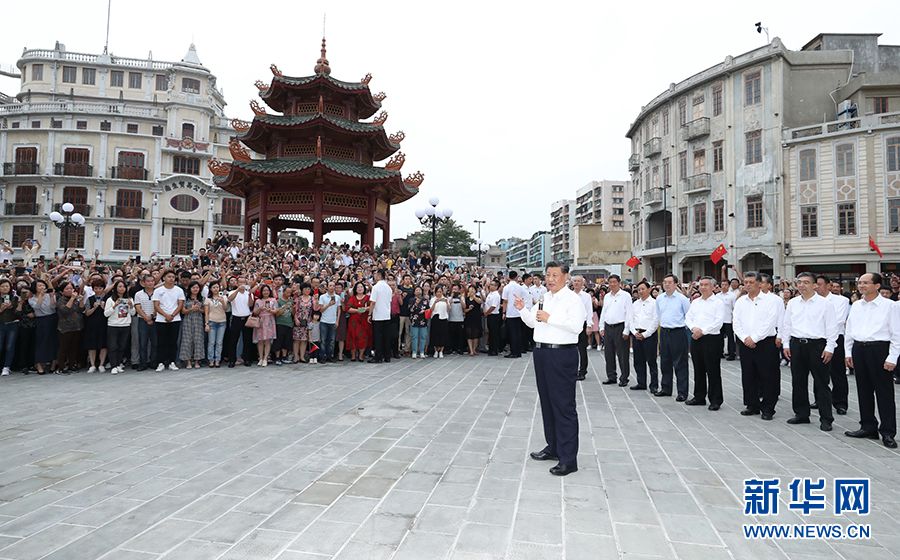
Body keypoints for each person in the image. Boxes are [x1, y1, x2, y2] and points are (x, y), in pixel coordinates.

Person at [515, 261, 585, 476]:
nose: (550, 279)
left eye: (555, 275)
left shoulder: (574, 300)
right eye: (548, 275)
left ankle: (568, 459)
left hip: (562, 354)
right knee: (547, 403)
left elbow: (576, 326)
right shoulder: (545, 298)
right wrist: (522, 310)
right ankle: (553, 447)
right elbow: (533, 322)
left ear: (566, 277)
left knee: (564, 406)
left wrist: (550, 318)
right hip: (542, 353)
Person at [844, 273, 900, 448]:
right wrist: (848, 352)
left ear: (877, 286)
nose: (861, 286)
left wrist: (892, 357)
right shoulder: (857, 305)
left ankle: (888, 432)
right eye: (859, 283)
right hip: (859, 349)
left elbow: (896, 334)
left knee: (884, 392)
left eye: (865, 283)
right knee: (864, 390)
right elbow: (850, 330)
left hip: (880, 349)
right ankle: (868, 426)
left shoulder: (890, 306)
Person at [780, 272, 839, 431]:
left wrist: (829, 347)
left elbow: (832, 328)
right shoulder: (793, 303)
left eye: (806, 282)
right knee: (798, 381)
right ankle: (801, 414)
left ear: (815, 285)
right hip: (797, 344)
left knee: (822, 382)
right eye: (799, 282)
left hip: (818, 345)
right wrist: (786, 344)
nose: (802, 285)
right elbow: (787, 325)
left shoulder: (825, 304)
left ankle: (826, 418)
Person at [732, 271, 783, 420]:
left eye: (751, 282)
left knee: (768, 376)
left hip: (765, 342)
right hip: (745, 342)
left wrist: (754, 338)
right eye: (746, 282)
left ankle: (768, 408)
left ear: (760, 283)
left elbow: (770, 322)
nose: (748, 285)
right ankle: (752, 405)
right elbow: (736, 322)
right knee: (748, 375)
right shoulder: (741, 301)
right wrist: (744, 338)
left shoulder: (771, 301)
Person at [684, 276, 726, 410]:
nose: (702, 287)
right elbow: (688, 318)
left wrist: (703, 331)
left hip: (711, 339)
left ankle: (715, 399)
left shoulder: (718, 303)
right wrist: (693, 329)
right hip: (696, 338)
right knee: (698, 369)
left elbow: (718, 322)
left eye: (706, 285)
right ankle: (699, 396)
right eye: (701, 285)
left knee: (712, 370)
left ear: (713, 287)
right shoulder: (696, 302)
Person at [816, 275, 850, 415]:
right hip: (817, 339)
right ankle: (819, 400)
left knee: (837, 372)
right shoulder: (812, 300)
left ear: (829, 285)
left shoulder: (841, 300)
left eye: (819, 284)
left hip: (835, 338)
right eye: (815, 284)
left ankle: (840, 403)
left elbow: (839, 320)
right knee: (818, 371)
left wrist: (819, 328)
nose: (817, 287)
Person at [655, 275, 690, 400]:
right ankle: (666, 388)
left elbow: (688, 316)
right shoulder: (659, 299)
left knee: (680, 363)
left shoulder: (682, 299)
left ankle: (682, 392)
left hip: (678, 332)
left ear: (676, 284)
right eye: (665, 282)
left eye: (670, 282)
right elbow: (659, 314)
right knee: (665, 362)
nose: (667, 285)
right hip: (664, 332)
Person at [599, 275, 633, 386]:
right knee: (608, 354)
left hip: (620, 327)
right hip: (608, 327)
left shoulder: (626, 296)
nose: (612, 284)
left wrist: (626, 330)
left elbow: (629, 314)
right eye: (610, 282)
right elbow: (604, 313)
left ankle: (624, 378)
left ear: (619, 283)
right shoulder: (607, 296)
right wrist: (602, 328)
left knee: (622, 355)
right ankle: (611, 376)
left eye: (614, 282)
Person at [152, 270, 185, 372]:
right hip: (161, 320)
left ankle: (172, 361)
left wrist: (173, 315)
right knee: (161, 342)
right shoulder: (158, 291)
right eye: (169, 276)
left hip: (175, 319)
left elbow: (180, 304)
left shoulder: (179, 290)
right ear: (164, 278)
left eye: (173, 277)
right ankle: (161, 362)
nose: (171, 278)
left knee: (173, 342)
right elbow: (156, 305)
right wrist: (166, 315)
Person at [630, 281, 659, 392]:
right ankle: (641, 382)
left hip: (649, 335)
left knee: (651, 360)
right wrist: (634, 332)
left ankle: (654, 385)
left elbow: (656, 320)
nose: (641, 291)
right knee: (638, 360)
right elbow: (631, 319)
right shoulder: (635, 304)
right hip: (637, 334)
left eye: (643, 289)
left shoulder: (654, 303)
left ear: (649, 289)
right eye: (639, 289)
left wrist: (646, 334)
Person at [104, 280, 135, 374]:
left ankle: (118, 364)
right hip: (113, 325)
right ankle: (113, 365)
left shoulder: (129, 299)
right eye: (120, 286)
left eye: (123, 287)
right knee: (113, 346)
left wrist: (131, 306)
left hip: (125, 325)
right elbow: (106, 314)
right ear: (115, 288)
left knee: (122, 346)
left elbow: (133, 313)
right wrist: (115, 305)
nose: (122, 288)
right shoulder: (110, 299)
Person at [30, 279, 57, 375]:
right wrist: (40, 296)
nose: (42, 287)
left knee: (53, 341)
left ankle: (54, 363)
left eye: (43, 285)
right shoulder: (31, 298)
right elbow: (37, 307)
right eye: (39, 286)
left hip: (52, 318)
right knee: (41, 341)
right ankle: (39, 364)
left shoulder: (49, 295)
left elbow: (53, 307)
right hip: (41, 320)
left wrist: (52, 297)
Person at [226, 276, 255, 368]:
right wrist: (238, 290)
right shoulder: (232, 292)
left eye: (244, 282)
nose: (242, 284)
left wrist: (250, 294)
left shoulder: (248, 293)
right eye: (240, 282)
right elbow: (230, 299)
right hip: (236, 318)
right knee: (233, 340)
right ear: (237, 283)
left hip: (246, 318)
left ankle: (247, 359)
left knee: (247, 340)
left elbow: (250, 304)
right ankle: (232, 360)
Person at [56, 281, 84, 374]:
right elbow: (65, 310)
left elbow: (81, 309)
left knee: (74, 347)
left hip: (77, 327)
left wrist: (81, 300)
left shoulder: (76, 299)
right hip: (65, 328)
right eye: (67, 289)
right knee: (63, 348)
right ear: (62, 291)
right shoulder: (60, 300)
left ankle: (72, 365)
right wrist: (72, 298)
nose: (69, 290)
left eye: (71, 289)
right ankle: (61, 367)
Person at [83, 278, 109, 373]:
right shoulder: (90, 299)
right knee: (92, 344)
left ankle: (102, 364)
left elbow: (110, 312)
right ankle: (92, 364)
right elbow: (87, 313)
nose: (98, 290)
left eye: (100, 288)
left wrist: (104, 308)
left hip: (104, 323)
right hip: (92, 324)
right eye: (96, 288)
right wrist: (94, 308)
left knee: (103, 344)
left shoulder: (108, 298)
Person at [571, 276, 593, 381]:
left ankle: (582, 371)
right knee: (570, 348)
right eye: (574, 281)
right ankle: (571, 370)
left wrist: (589, 325)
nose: (576, 283)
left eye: (578, 281)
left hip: (582, 324)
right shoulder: (568, 295)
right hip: (569, 325)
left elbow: (589, 311)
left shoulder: (586, 296)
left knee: (582, 349)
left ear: (583, 283)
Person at [179, 281, 206, 369]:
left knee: (198, 340)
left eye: (197, 288)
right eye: (193, 287)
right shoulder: (185, 299)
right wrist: (191, 309)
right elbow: (183, 311)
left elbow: (205, 311)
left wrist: (199, 309)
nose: (195, 289)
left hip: (198, 320)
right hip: (187, 320)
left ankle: (197, 360)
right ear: (190, 289)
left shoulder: (202, 299)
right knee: (187, 340)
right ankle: (188, 361)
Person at [134, 274, 157, 371]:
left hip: (156, 320)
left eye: (152, 281)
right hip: (142, 320)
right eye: (148, 281)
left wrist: (151, 316)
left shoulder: (158, 293)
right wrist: (146, 317)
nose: (150, 283)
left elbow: (160, 307)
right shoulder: (138, 294)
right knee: (142, 343)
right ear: (143, 282)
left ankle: (153, 362)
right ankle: (143, 363)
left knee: (155, 343)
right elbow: (138, 308)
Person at [368, 269, 392, 364]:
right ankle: (387, 356)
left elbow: (373, 302)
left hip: (378, 315)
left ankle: (378, 356)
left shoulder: (376, 287)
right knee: (386, 337)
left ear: (378, 276)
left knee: (378, 337)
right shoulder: (388, 287)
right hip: (386, 314)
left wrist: (370, 313)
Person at [252, 284, 278, 367]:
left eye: (267, 290)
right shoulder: (258, 301)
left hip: (269, 320)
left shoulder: (273, 300)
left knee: (267, 340)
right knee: (260, 340)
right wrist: (260, 308)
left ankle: (266, 357)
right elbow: (255, 312)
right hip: (261, 320)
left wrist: (270, 310)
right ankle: (260, 357)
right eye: (264, 291)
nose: (266, 292)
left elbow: (276, 311)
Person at [501, 271, 526, 358]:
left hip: (510, 313)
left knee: (512, 333)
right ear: (516, 278)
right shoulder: (520, 287)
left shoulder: (507, 287)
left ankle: (514, 352)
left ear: (508, 277)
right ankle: (518, 351)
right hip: (519, 312)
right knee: (518, 333)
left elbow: (505, 301)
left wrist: (504, 312)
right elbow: (522, 298)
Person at [204, 282, 228, 368]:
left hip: (222, 321)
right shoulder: (208, 299)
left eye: (217, 287)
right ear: (210, 289)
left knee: (219, 342)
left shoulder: (224, 297)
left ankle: (217, 360)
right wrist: (207, 324)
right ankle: (211, 360)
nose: (216, 289)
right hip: (211, 321)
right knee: (211, 342)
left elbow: (225, 308)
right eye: (214, 287)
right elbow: (206, 313)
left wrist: (223, 302)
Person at [346, 281, 371, 362]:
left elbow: (372, 306)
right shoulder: (352, 298)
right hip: (354, 321)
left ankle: (361, 356)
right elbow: (348, 308)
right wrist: (357, 310)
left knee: (363, 337)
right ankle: (353, 356)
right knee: (352, 337)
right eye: (358, 287)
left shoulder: (367, 297)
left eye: (361, 287)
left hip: (364, 321)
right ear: (355, 289)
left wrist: (365, 309)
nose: (360, 289)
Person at [293, 282, 317, 364]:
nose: (307, 290)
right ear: (302, 290)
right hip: (299, 320)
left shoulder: (312, 298)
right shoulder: (298, 299)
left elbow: (316, 308)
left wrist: (316, 299)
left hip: (308, 320)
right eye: (305, 289)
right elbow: (294, 310)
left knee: (304, 340)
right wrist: (296, 319)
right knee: (296, 339)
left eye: (308, 289)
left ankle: (302, 357)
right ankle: (296, 356)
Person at [0, 279, 20, 375]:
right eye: (3, 286)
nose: (5, 288)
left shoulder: (14, 298)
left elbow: (18, 313)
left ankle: (6, 367)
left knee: (9, 346)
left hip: (13, 323)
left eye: (7, 286)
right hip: (1, 323)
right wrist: (1, 309)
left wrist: (11, 307)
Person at [318, 282, 340, 363]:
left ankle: (330, 355)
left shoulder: (337, 297)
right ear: (327, 287)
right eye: (330, 285)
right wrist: (329, 304)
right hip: (324, 321)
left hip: (333, 321)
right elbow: (320, 309)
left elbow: (339, 309)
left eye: (333, 286)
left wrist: (337, 321)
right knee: (323, 340)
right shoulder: (323, 297)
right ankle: (322, 356)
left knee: (331, 341)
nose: (332, 287)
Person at [272, 285, 294, 366]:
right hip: (280, 323)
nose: (288, 293)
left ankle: (284, 357)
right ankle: (278, 358)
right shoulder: (279, 301)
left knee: (287, 341)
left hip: (289, 323)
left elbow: (293, 314)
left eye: (290, 292)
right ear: (283, 292)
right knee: (278, 341)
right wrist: (285, 307)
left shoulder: (291, 301)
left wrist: (293, 308)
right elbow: (278, 314)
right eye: (287, 292)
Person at [429, 285, 450, 358]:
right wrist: (435, 302)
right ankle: (435, 350)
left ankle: (441, 351)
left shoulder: (445, 299)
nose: (439, 293)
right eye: (437, 292)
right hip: (435, 318)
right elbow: (431, 310)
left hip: (443, 318)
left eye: (440, 292)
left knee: (443, 335)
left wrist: (447, 302)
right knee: (435, 335)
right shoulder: (432, 299)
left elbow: (449, 309)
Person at [409, 286, 429, 359]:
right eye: (417, 290)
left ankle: (422, 352)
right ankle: (414, 352)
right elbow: (410, 310)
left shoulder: (425, 300)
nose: (418, 291)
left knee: (423, 336)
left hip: (423, 320)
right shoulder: (411, 300)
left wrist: (424, 311)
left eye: (419, 290)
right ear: (414, 292)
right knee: (414, 336)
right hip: (414, 320)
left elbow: (428, 309)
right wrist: (416, 304)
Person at [464, 285, 483, 356]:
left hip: (476, 317)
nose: (471, 291)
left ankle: (474, 349)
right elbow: (464, 309)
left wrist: (474, 296)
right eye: (470, 289)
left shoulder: (477, 297)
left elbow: (479, 302)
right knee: (469, 334)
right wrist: (469, 309)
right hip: (469, 317)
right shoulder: (466, 299)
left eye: (473, 289)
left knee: (476, 334)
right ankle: (471, 350)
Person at [484, 280, 502, 356]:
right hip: (489, 315)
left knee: (494, 333)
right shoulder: (490, 294)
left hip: (494, 315)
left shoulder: (496, 295)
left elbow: (493, 306)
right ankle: (491, 348)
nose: (490, 286)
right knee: (491, 332)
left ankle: (494, 350)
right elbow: (487, 303)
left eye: (492, 285)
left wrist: (487, 312)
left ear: (496, 287)